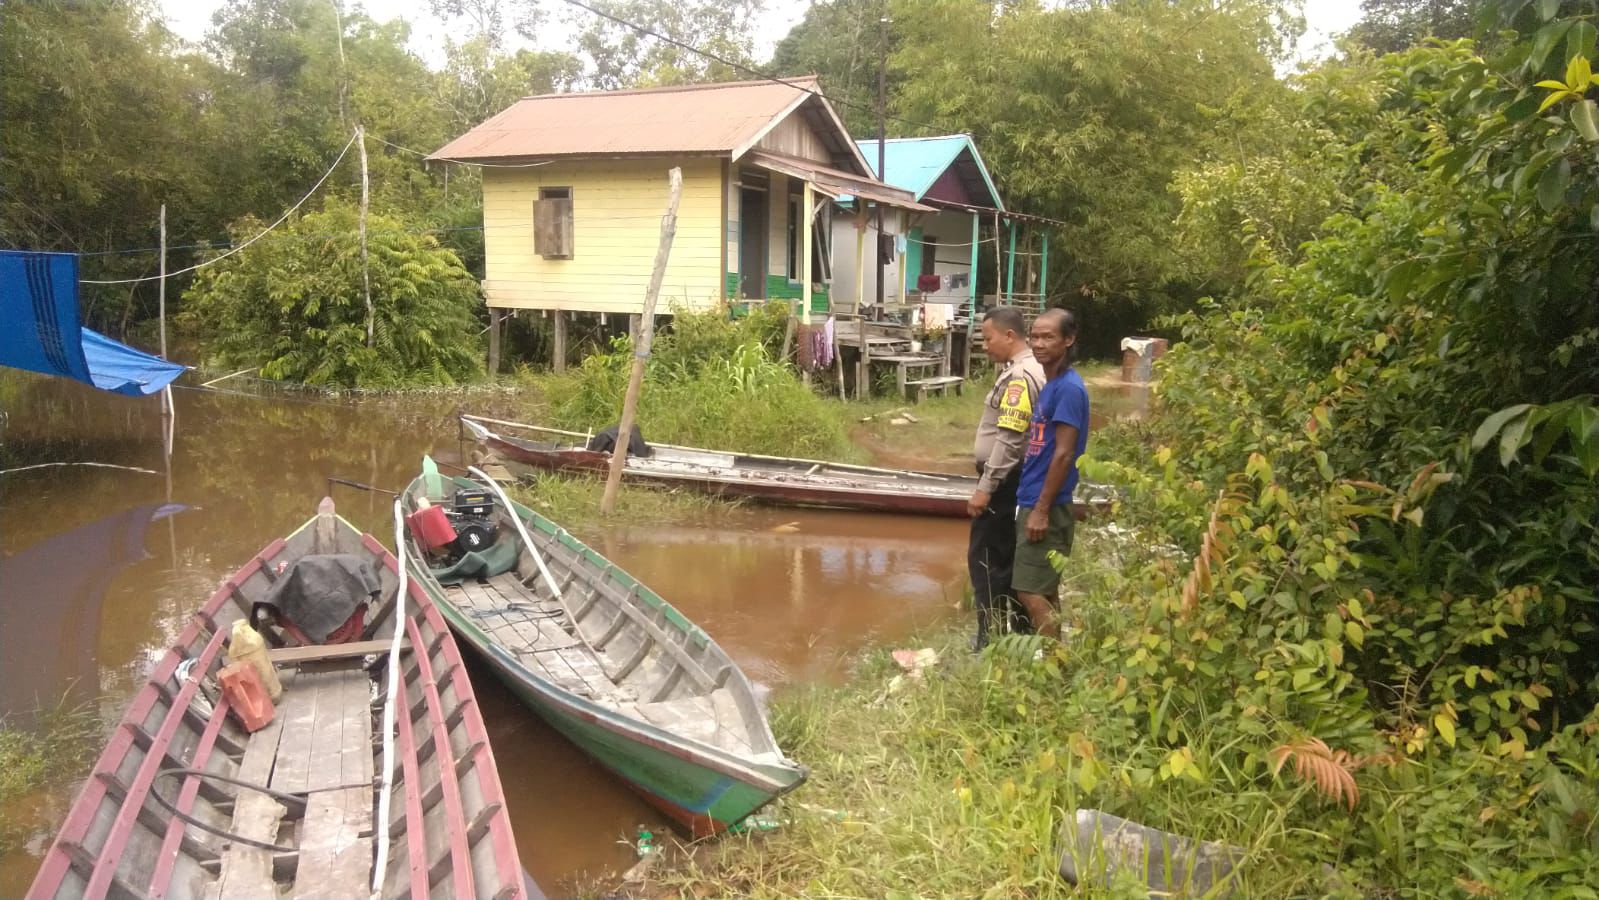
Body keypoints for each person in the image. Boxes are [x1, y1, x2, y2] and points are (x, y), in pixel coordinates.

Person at [966, 306, 1047, 650]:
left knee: (987, 562)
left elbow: (1010, 439)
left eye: (988, 338)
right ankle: (1015, 637)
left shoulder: (1019, 378)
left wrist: (985, 487)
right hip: (1011, 482)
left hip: (1003, 484)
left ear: (1010, 336)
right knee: (1006, 559)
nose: (984, 345)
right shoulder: (1025, 370)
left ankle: (991, 641)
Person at [1012, 308, 1089, 639]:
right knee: (1045, 589)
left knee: (1028, 591)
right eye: (1035, 336)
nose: (1039, 343)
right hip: (1033, 497)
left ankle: (1056, 667)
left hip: (1047, 503)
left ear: (1068, 340)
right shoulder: (1051, 384)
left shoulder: (1069, 389)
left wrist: (1041, 510)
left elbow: (1064, 453)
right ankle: (1058, 670)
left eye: (1049, 337)